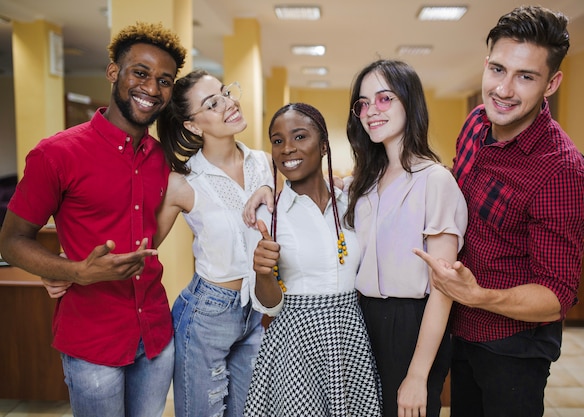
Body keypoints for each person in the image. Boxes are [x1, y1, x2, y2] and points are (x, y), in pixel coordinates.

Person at [413, 6, 584, 417]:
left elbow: (555, 296)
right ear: (486, 64)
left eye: (526, 76)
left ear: (552, 83)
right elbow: (455, 192)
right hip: (459, 327)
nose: (504, 89)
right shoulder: (476, 123)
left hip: (513, 347)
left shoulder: (561, 171)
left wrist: (478, 295)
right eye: (498, 69)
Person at [0, 22, 186, 417]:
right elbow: (12, 240)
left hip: (155, 333)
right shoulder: (56, 154)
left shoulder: (161, 158)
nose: (152, 88)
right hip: (92, 340)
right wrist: (73, 271)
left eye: (164, 80)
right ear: (113, 72)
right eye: (141, 72)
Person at [344, 59, 467, 417]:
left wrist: (417, 375)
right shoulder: (363, 183)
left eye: (384, 99)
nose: (371, 112)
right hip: (361, 318)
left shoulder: (436, 181)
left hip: (411, 325)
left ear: (409, 103)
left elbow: (444, 289)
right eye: (363, 104)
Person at [243, 103, 382, 416]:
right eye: (277, 141)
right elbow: (270, 305)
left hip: (350, 335)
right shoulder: (267, 215)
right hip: (295, 342)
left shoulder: (352, 203)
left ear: (323, 146)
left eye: (299, 136)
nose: (287, 148)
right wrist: (263, 273)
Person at [155, 69, 273, 417]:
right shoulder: (184, 182)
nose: (228, 104)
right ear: (193, 126)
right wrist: (72, 264)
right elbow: (144, 245)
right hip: (207, 314)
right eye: (212, 103)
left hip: (256, 309)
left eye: (225, 93)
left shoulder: (265, 164)